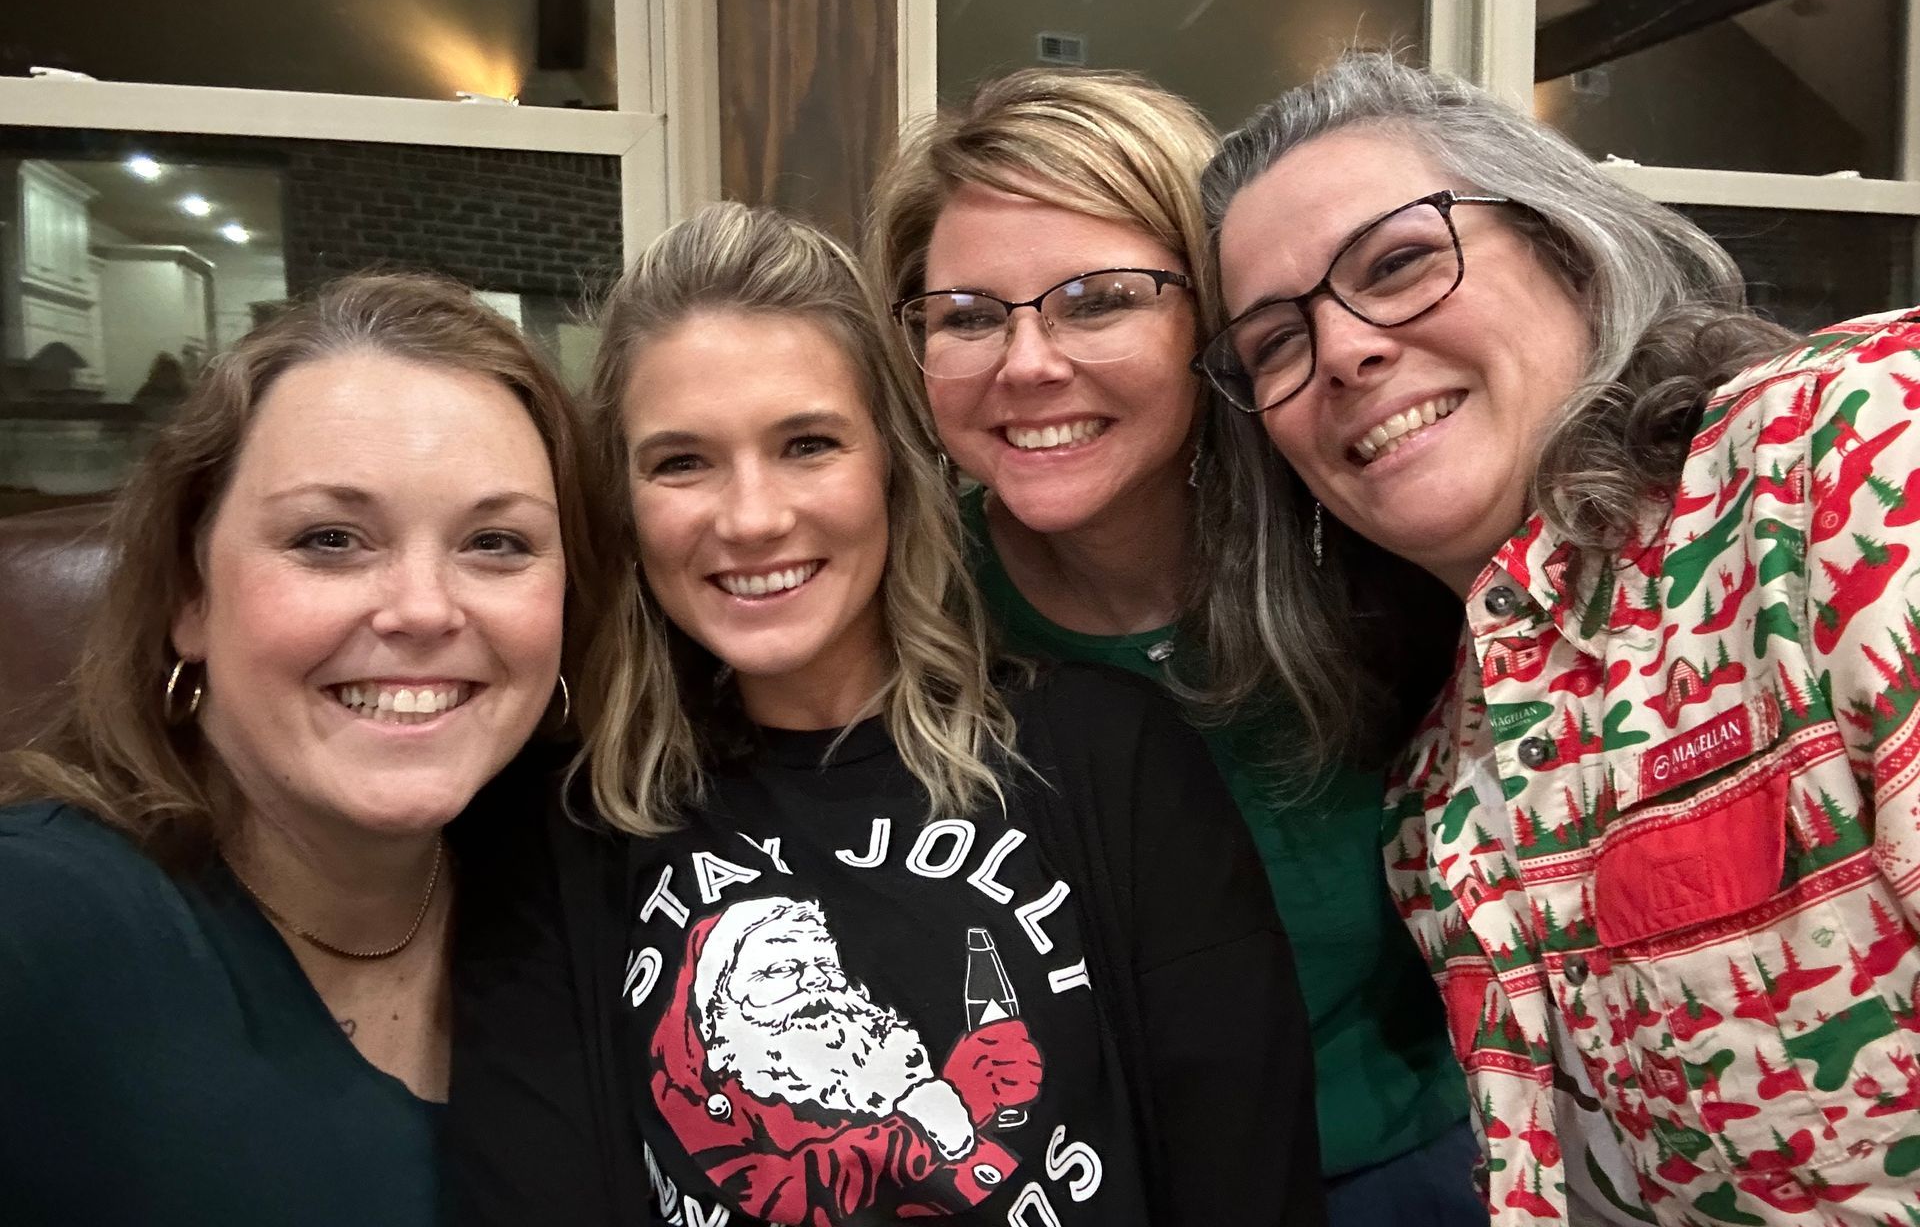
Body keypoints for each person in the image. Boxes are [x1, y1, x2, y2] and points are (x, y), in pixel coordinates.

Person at [444, 201, 1323, 1227]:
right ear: (625, 507)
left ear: (893, 471)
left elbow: (1248, 1183)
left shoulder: (1106, 757)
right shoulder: (559, 828)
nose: (754, 517)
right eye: (681, 461)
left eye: (808, 444)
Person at [1193, 50, 1920, 1224]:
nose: (1343, 350)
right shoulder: (1439, 789)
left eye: (1400, 264)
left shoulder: (1843, 461)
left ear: (1569, 249)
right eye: (1276, 341)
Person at [868, 67, 1476, 1223]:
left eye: (1098, 298)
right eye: (968, 316)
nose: (1028, 362)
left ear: (1214, 319)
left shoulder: (1369, 547)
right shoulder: (890, 614)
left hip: (1390, 1165)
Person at [0, 274, 599, 1226]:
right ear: (187, 596)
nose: (421, 610)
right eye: (330, 538)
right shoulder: (37, 928)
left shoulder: (587, 901)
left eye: (495, 542)